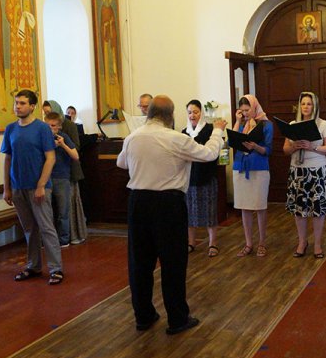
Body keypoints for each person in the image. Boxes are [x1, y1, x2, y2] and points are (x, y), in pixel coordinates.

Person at [116, 96, 227, 334]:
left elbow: (121, 163)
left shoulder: (133, 137)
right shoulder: (175, 138)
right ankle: (177, 319)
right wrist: (217, 131)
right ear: (170, 115)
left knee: (140, 263)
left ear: (149, 113)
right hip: (168, 204)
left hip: (137, 202)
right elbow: (209, 154)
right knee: (173, 263)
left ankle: (143, 316)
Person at [1, 89, 64, 285]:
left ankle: (56, 269)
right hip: (18, 186)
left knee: (46, 228)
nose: (18, 106)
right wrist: (6, 187)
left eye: (22, 103)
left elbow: (50, 158)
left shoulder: (42, 128)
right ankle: (33, 266)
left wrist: (41, 185)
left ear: (32, 106)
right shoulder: (10, 129)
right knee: (29, 229)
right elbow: (8, 158)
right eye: (16, 103)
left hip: (38, 187)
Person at [282, 91, 326, 258]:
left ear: (315, 106)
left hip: (317, 170)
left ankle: (317, 244)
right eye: (303, 103)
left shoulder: (322, 124)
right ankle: (302, 242)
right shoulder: (293, 124)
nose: (305, 107)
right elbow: (285, 149)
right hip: (297, 171)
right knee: (299, 210)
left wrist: (312, 147)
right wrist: (294, 146)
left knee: (317, 210)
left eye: (309, 104)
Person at [232, 94, 273, 257]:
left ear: (254, 107)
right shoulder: (241, 123)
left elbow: (268, 150)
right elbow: (232, 141)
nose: (245, 113)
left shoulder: (266, 124)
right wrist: (237, 121)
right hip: (240, 167)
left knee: (260, 206)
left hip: (259, 167)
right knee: (245, 206)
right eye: (241, 110)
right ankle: (248, 243)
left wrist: (255, 146)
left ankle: (262, 242)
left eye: (247, 110)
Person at [44, 100, 88, 244]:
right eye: (47, 125)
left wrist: (62, 144)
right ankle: (48, 240)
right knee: (47, 211)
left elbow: (75, 155)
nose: (50, 129)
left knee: (63, 211)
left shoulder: (64, 137)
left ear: (59, 126)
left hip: (62, 177)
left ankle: (64, 239)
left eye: (53, 126)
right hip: (46, 177)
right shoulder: (42, 138)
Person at [183, 100, 221, 257]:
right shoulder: (183, 133)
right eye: (189, 112)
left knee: (209, 211)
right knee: (189, 212)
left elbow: (214, 152)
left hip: (206, 176)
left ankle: (213, 243)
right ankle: (191, 242)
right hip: (189, 178)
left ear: (201, 113)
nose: (192, 115)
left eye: (195, 112)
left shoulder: (211, 130)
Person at [5, 0, 37, 92]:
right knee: (17, 56)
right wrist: (17, 10)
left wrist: (27, 13)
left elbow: (29, 7)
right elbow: (8, 7)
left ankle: (29, 84)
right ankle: (16, 85)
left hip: (26, 28)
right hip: (16, 28)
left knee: (27, 56)